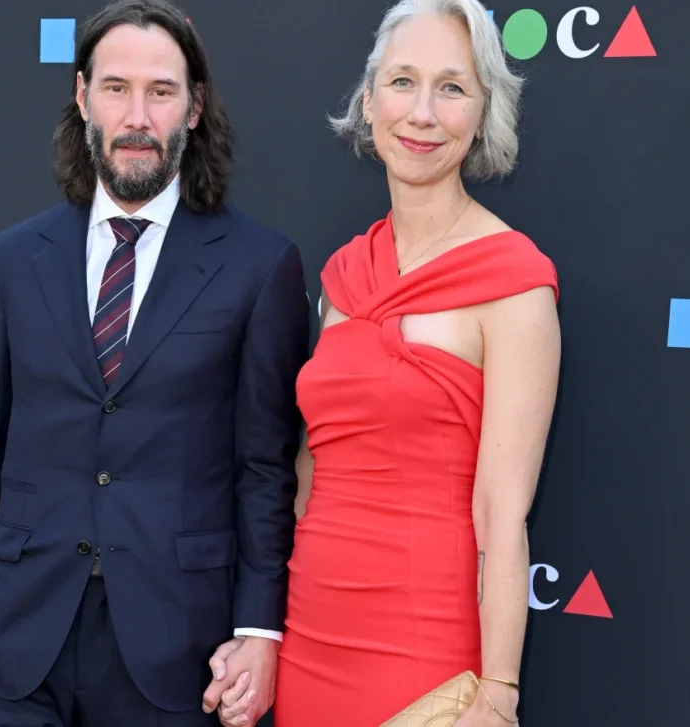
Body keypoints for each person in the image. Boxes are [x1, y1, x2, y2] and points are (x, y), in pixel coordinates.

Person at [0, 1, 309, 725]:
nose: (137, 115)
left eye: (161, 91)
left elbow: (265, 470)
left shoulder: (260, 267)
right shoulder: (12, 259)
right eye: (115, 87)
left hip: (176, 648)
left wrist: (259, 629)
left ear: (193, 109)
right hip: (17, 639)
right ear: (82, 97)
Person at [207, 1, 560, 725]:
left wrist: (498, 690)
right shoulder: (344, 275)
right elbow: (308, 472)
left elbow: (503, 509)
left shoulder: (515, 281)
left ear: (483, 109)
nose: (423, 113)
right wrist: (263, 632)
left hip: (426, 653)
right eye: (402, 82)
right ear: (369, 103)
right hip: (309, 640)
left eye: (452, 87)